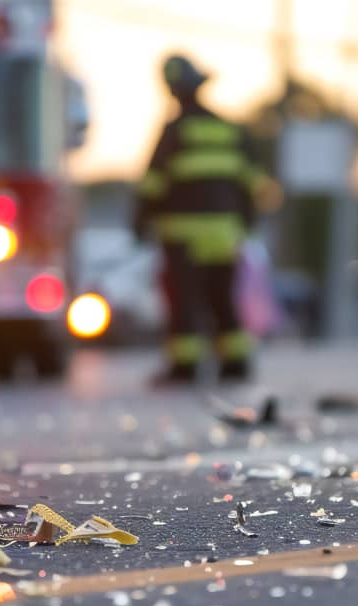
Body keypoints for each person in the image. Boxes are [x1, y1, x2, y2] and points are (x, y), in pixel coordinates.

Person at [135, 55, 259, 385]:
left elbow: (154, 183)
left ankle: (185, 368)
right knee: (222, 298)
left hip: (183, 234)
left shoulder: (176, 131)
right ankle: (236, 363)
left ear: (174, 90)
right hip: (224, 233)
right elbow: (249, 183)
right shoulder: (228, 129)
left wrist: (139, 222)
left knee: (183, 301)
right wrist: (246, 223)